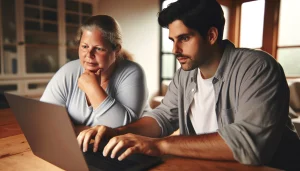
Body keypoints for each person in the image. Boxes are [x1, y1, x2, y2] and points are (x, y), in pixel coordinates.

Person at [77, 0, 300, 170]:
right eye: (172, 40)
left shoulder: (257, 67)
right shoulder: (186, 75)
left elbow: (249, 144)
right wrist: (118, 132)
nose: (175, 50)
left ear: (211, 35)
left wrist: (159, 145)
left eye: (184, 39)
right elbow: (163, 117)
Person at [40, 15, 150, 130]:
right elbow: (45, 118)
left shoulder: (132, 72)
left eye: (98, 48)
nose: (89, 54)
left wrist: (92, 88)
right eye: (84, 46)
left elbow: (123, 128)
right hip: (76, 146)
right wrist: (87, 131)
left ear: (116, 50)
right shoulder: (68, 71)